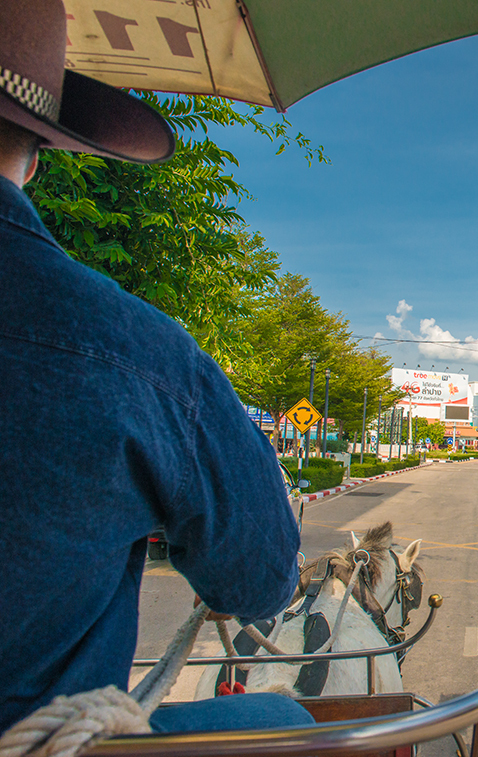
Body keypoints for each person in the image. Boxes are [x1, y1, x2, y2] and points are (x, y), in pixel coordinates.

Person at [0, 0, 313, 735]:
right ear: (40, 155)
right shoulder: (138, 354)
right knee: (290, 718)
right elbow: (262, 578)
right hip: (43, 738)